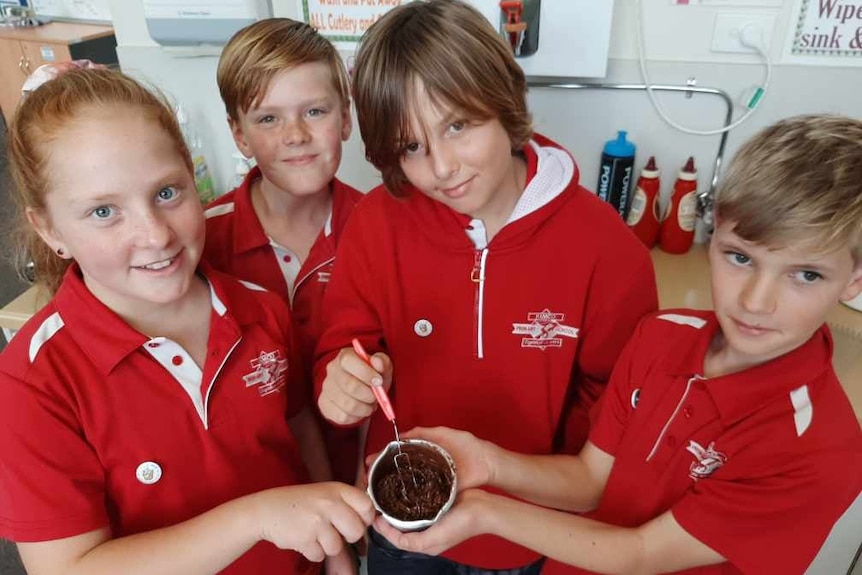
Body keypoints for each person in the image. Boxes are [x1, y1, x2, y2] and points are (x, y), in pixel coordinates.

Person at [372, 114, 862, 575]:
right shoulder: (661, 336)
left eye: (805, 274)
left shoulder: (820, 451)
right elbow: (590, 482)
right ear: (711, 237)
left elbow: (640, 553)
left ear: (854, 279)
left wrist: (486, 514)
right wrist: (487, 460)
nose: (757, 301)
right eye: (739, 257)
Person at [313, 1, 658, 572]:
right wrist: (342, 384)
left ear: (505, 102)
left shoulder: (608, 251)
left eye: (458, 125)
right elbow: (343, 345)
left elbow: (610, 424)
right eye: (412, 147)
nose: (443, 167)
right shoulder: (375, 224)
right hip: (403, 529)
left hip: (529, 533)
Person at [0, 67, 373, 575]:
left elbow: (296, 427)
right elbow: (68, 568)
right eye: (104, 212)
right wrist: (254, 519)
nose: (155, 235)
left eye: (167, 193)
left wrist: (335, 552)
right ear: (49, 228)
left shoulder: (261, 308)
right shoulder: (33, 382)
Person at [203, 18, 363, 491]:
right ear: (239, 134)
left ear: (346, 118)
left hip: (359, 479)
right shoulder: (200, 243)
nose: (295, 135)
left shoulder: (382, 230)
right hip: (246, 492)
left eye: (314, 111)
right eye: (268, 118)